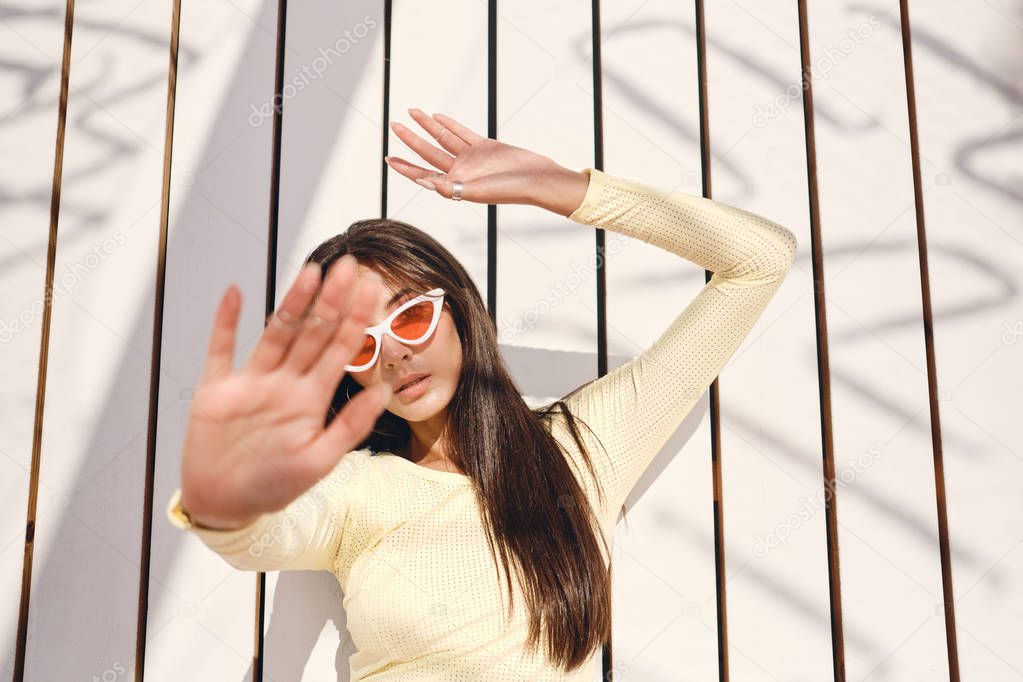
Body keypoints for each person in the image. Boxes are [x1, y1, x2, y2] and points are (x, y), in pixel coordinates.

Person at [165, 108, 798, 680]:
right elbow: (256, 533)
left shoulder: (581, 451)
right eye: (358, 345)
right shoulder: (356, 489)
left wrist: (559, 188)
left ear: (460, 312)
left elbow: (759, 260)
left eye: (408, 316)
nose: (393, 354)